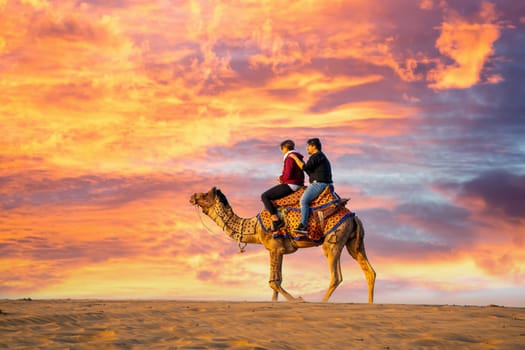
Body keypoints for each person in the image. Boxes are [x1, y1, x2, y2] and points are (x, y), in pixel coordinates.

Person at [288, 138, 333, 237]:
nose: (307, 148)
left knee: (303, 201)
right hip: (324, 183)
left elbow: (305, 168)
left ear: (313, 146)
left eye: (308, 146)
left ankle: (302, 226)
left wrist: (295, 158)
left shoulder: (316, 156)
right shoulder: (320, 157)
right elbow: (309, 171)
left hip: (318, 184)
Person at [261, 140, 305, 231]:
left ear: (285, 148)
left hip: (291, 184)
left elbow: (288, 174)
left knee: (265, 196)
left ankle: (276, 220)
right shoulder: (297, 157)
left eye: (282, 149)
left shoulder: (289, 158)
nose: (282, 151)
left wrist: (281, 178)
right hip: (297, 183)